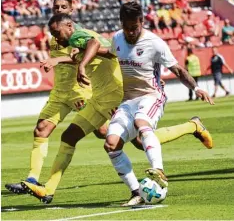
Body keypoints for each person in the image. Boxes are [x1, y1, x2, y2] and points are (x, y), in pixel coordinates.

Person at [20, 12, 213, 205]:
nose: (55, 37)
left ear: (69, 25)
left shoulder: (77, 35)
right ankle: (48, 190)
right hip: (99, 100)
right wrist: (66, 59)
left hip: (116, 98)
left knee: (139, 140)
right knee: (70, 136)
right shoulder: (78, 40)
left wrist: (80, 66)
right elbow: (108, 52)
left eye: (57, 32)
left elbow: (93, 45)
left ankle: (192, 126)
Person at [103, 1, 214, 206]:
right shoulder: (117, 38)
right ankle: (136, 192)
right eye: (127, 28)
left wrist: (196, 88)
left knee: (141, 122)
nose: (130, 32)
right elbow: (110, 54)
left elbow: (178, 70)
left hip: (152, 95)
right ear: (121, 24)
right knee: (111, 144)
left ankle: (159, 170)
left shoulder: (155, 43)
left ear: (142, 22)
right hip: (128, 100)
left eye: (134, 28)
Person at [5, 0, 108, 195]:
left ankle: (145, 138)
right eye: (56, 6)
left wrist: (57, 61)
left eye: (63, 6)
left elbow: (90, 50)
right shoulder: (55, 32)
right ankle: (31, 179)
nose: (59, 9)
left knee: (104, 133)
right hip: (59, 92)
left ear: (71, 9)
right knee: (41, 130)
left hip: (79, 91)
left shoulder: (76, 32)